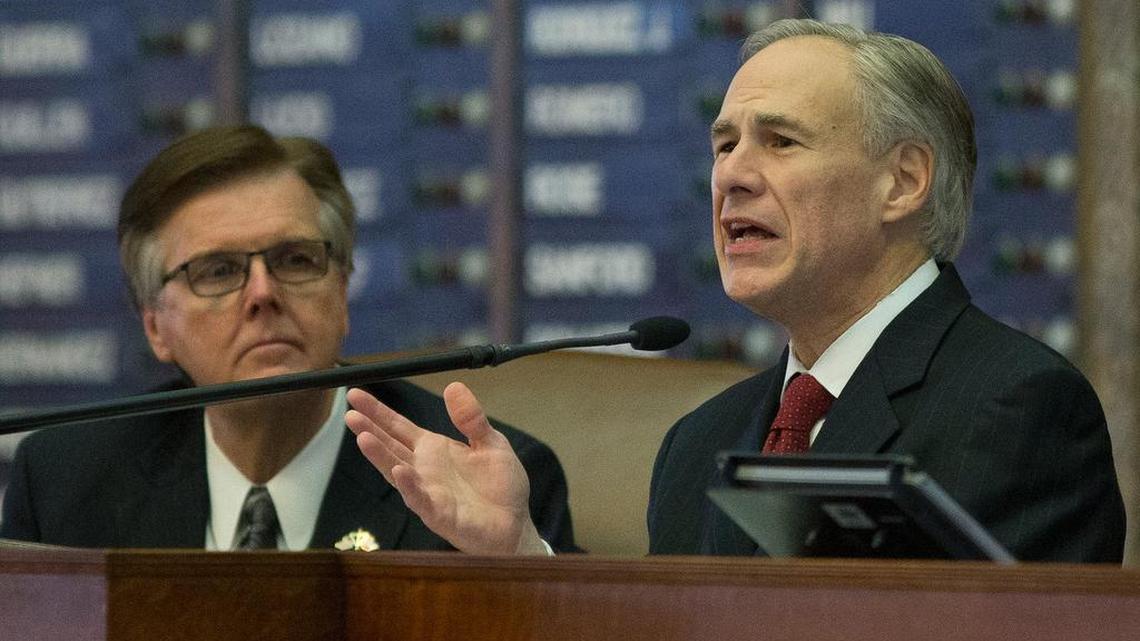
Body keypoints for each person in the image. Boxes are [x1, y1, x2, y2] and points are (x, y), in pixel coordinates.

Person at [342, 19, 1125, 562]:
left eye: (780, 140)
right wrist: (521, 552)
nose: (732, 175)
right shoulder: (698, 445)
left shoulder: (1018, 409)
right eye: (724, 144)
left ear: (903, 180)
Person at [0, 125, 578, 553]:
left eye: (295, 260)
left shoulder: (477, 488)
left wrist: (518, 557)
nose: (262, 293)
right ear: (156, 326)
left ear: (342, 291)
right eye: (217, 271)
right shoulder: (65, 484)